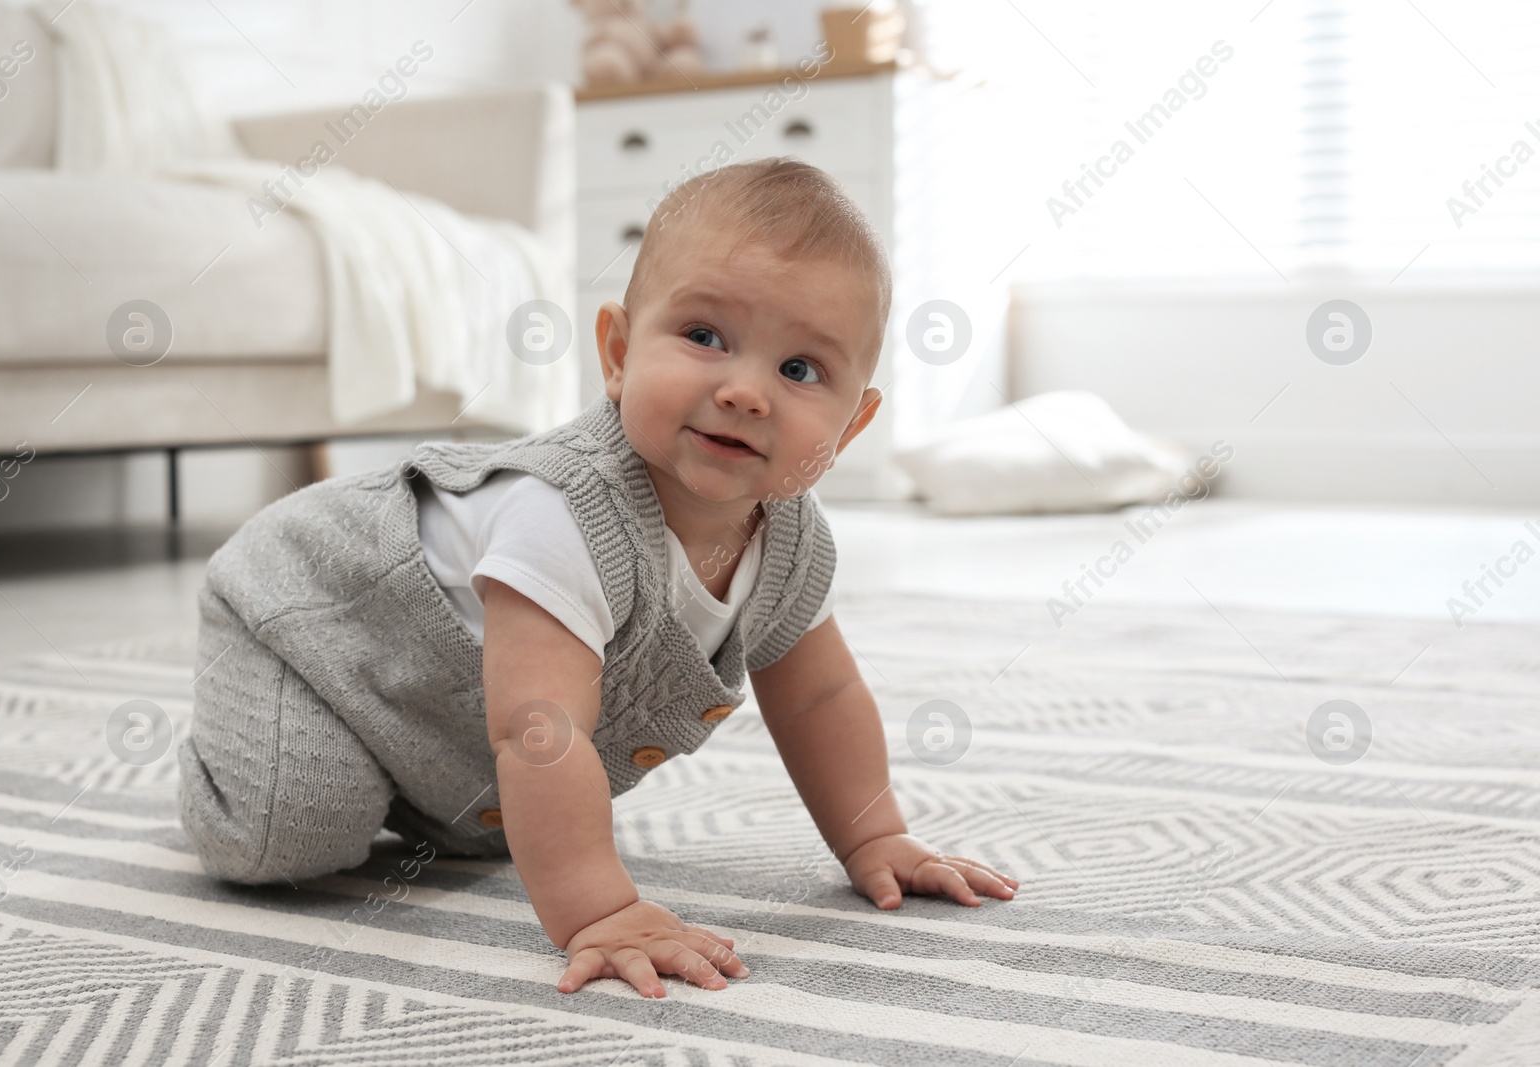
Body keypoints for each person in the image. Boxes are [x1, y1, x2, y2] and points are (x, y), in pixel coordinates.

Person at [177, 157, 1018, 1001]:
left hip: (428, 706)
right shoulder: (564, 514)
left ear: (852, 423)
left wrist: (875, 836)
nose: (744, 391)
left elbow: (819, 699)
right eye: (704, 337)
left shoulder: (792, 545)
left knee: (487, 821)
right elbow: (539, 728)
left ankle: (405, 782)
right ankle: (231, 745)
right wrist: (599, 908)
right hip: (303, 619)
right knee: (294, 830)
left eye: (800, 371)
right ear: (617, 352)